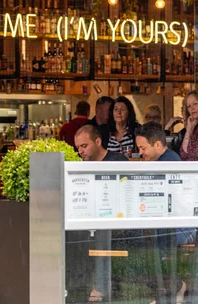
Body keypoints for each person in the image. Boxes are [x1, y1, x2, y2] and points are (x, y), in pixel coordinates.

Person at [135, 123, 194, 304]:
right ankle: (170, 290)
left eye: (143, 148)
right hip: (173, 225)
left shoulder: (168, 163)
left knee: (146, 240)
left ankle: (172, 289)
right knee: (143, 237)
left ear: (158, 145)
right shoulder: (163, 160)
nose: (140, 153)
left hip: (183, 228)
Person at [72, 125, 127, 302]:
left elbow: (126, 193)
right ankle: (76, 283)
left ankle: (100, 287)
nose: (80, 151)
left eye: (84, 146)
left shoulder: (117, 161)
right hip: (90, 219)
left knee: (103, 231)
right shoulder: (80, 166)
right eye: (78, 147)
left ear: (98, 141)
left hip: (119, 220)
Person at [179, 90, 198, 161]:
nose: (192, 108)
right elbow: (183, 155)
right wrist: (188, 130)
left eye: (195, 104)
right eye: (189, 106)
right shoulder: (195, 126)